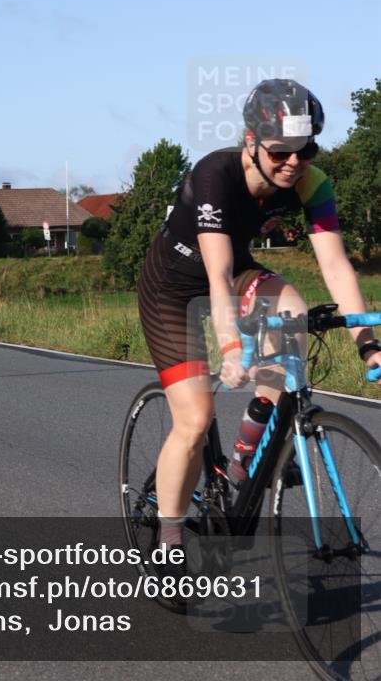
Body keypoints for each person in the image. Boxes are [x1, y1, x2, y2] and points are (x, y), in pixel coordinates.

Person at [137, 79, 381, 556]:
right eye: (280, 153)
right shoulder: (215, 175)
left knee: (291, 310)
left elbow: (334, 265)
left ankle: (245, 456)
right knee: (195, 418)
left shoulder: (313, 183)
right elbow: (217, 271)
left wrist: (367, 344)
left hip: (233, 270)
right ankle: (168, 538)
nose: (294, 162)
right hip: (173, 285)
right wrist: (229, 345)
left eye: (305, 150)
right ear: (251, 142)